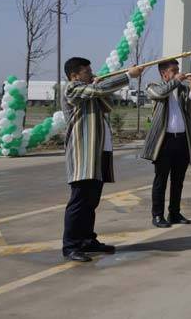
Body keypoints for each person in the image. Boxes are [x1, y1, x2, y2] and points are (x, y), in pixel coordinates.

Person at [61, 57, 143, 262]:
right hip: (83, 154)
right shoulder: (71, 88)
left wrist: (100, 85)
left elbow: (107, 103)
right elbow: (97, 91)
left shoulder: (92, 91)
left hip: (98, 152)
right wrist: (127, 76)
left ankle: (87, 240)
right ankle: (70, 245)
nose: (92, 74)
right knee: (79, 201)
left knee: (91, 201)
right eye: (87, 72)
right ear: (74, 75)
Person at [141, 59, 191, 228]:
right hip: (164, 141)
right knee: (161, 180)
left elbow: (190, 111)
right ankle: (157, 215)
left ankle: (174, 212)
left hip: (181, 140)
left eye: (178, 70)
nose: (178, 73)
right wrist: (176, 81)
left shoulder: (181, 89)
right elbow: (160, 94)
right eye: (174, 70)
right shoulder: (153, 86)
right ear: (164, 73)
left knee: (178, 180)